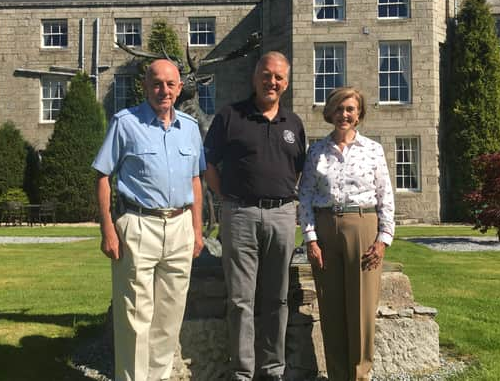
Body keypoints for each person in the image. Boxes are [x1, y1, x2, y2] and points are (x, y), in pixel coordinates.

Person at [92, 59, 204, 381]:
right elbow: (102, 176)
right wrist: (108, 229)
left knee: (169, 317)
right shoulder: (125, 123)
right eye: (157, 83)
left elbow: (196, 180)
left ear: (180, 88)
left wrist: (197, 230)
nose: (163, 90)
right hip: (138, 225)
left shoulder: (190, 129)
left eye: (170, 84)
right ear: (145, 87)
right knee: (135, 317)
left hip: (181, 226)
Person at [204, 51, 306, 381]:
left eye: (278, 77)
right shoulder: (230, 116)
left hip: (282, 216)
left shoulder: (294, 123)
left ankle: (273, 370)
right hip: (240, 214)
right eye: (266, 74)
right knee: (239, 300)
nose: (271, 81)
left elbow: (301, 170)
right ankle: (242, 372)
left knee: (278, 298)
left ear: (286, 83)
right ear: (255, 76)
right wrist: (225, 198)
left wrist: (290, 205)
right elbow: (207, 164)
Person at [297, 87, 395, 381]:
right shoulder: (316, 151)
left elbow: (385, 195)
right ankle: (338, 374)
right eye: (339, 109)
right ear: (330, 112)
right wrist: (311, 238)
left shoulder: (372, 149)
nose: (344, 115)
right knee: (331, 307)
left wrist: (382, 239)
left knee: (362, 308)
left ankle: (359, 374)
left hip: (362, 226)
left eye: (350, 109)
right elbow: (304, 196)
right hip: (326, 230)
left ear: (359, 114)